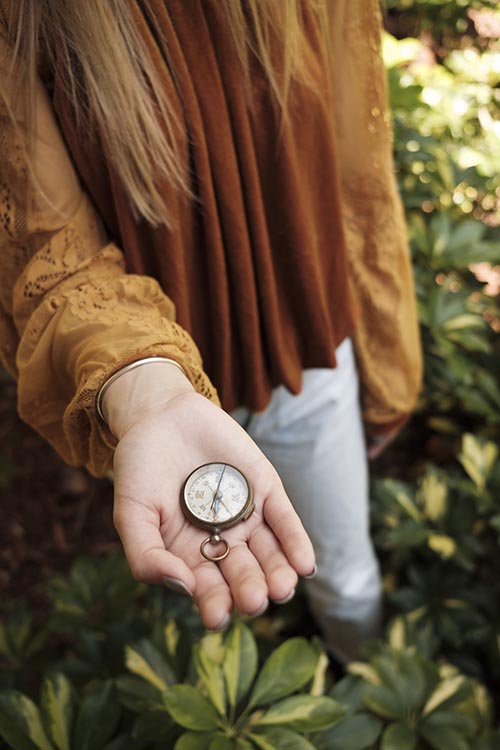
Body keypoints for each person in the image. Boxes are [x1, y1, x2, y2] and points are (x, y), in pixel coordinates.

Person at [0, 0, 422, 662]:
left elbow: (357, 163)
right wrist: (145, 390)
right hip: (144, 384)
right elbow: (47, 244)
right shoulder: (30, 18)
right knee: (206, 594)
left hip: (303, 353)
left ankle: (363, 675)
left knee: (344, 575)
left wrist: (384, 351)